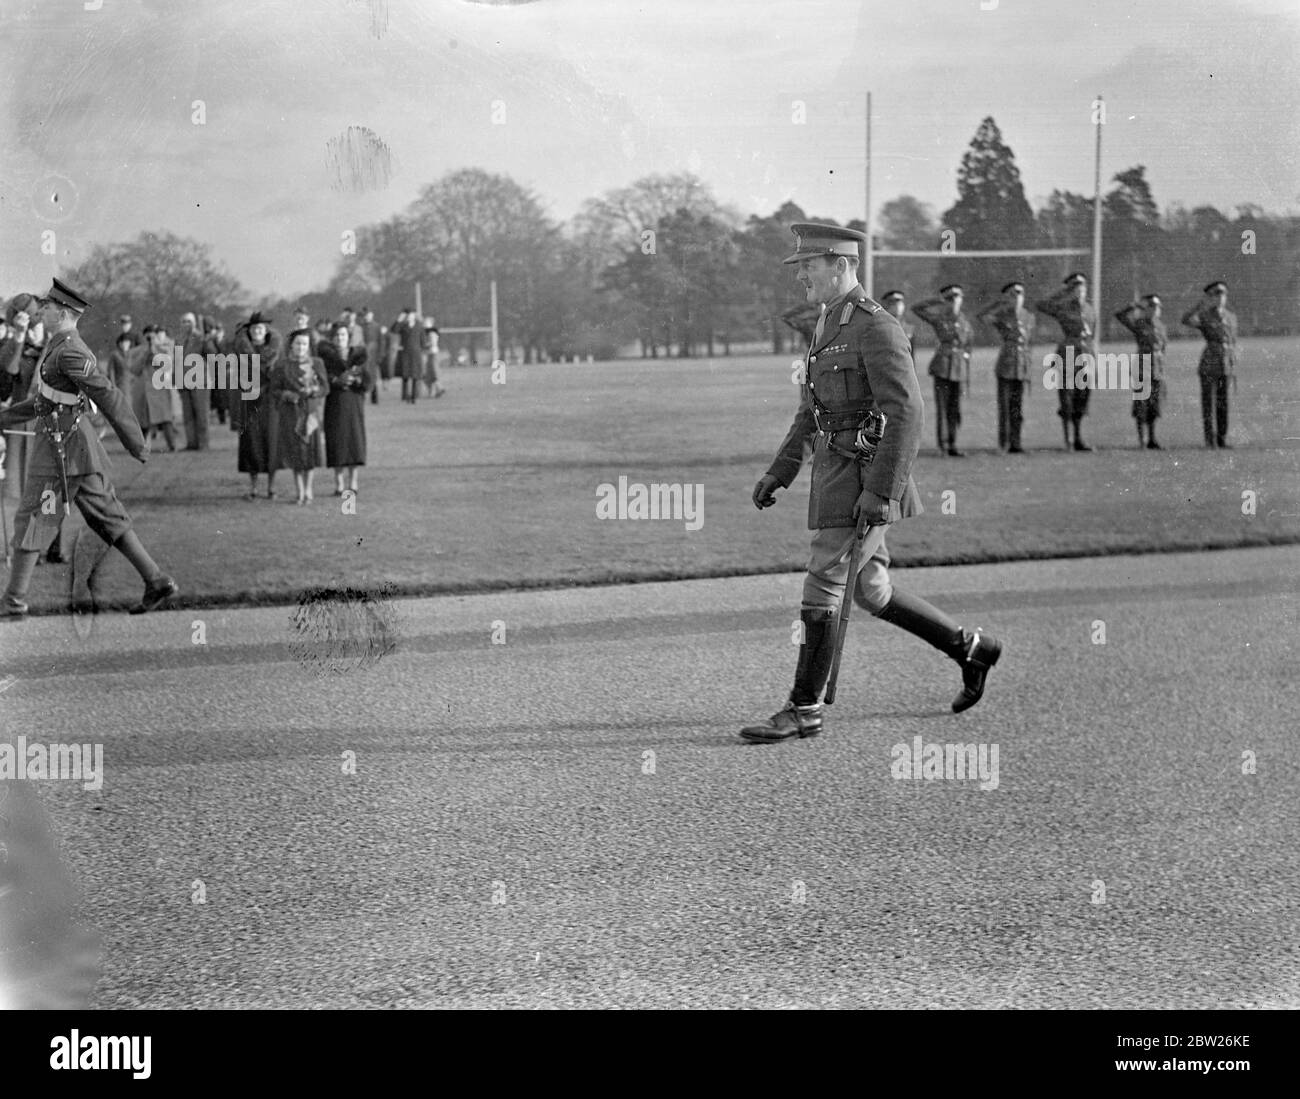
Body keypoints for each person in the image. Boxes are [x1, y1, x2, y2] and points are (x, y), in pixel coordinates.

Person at [741, 224, 1002, 743]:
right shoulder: (826, 325)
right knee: (871, 589)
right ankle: (972, 648)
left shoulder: (875, 326)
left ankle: (804, 707)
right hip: (836, 475)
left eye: (809, 268)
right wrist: (781, 470)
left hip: (865, 479)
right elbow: (810, 412)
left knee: (824, 579)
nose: (802, 280)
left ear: (840, 265)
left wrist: (881, 492)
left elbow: (905, 412)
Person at [0, 278, 176, 617]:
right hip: (72, 452)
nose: (43, 312)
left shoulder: (71, 350)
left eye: (48, 307)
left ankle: (13, 599)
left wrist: (136, 443)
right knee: (107, 517)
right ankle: (156, 580)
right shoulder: (58, 346)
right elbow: (45, 401)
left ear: (63, 313)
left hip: (62, 455)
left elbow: (108, 395)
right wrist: (5, 417)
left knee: (35, 518)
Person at [1036, 272, 1097, 451]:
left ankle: (1078, 438)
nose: (1080, 292)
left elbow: (1092, 333)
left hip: (1086, 355)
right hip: (1068, 353)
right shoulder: (1062, 307)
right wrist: (1062, 293)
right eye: (1075, 289)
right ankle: (1068, 440)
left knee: (1082, 397)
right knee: (1067, 398)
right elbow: (1041, 305)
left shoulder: (1090, 309)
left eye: (1082, 288)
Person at [911, 284, 973, 456]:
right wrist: (937, 300)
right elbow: (916, 308)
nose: (953, 302)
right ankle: (944, 445)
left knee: (955, 409)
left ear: (961, 300)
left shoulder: (965, 323)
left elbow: (968, 346)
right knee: (943, 408)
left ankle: (953, 444)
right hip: (942, 367)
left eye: (956, 298)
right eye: (949, 299)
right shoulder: (939, 318)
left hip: (958, 368)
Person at [976, 281, 1035, 454]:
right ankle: (1004, 443)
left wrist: (1028, 367)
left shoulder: (1029, 317)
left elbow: (1029, 342)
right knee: (1005, 407)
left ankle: (1016, 443)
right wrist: (998, 303)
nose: (1017, 298)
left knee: (1018, 407)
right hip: (1006, 364)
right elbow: (981, 316)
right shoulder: (1002, 314)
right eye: (1013, 295)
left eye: (1020, 294)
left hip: (1022, 364)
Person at [272, 329, 329, 505]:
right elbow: (275, 390)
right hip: (291, 413)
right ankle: (300, 491)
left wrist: (314, 390)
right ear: (292, 345)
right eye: (298, 343)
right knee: (295, 451)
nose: (301, 347)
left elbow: (325, 388)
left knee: (310, 452)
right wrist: (288, 395)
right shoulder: (282, 365)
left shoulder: (317, 363)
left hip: (310, 412)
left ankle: (309, 489)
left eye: (304, 344)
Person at [231, 311, 283, 498]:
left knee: (271, 441)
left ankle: (271, 487)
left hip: (270, 402)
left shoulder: (275, 351)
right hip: (249, 401)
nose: (257, 332)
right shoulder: (240, 352)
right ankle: (253, 487)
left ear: (266, 330)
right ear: (249, 331)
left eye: (260, 328)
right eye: (254, 329)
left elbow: (281, 375)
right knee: (251, 443)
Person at [1182, 281, 1238, 448]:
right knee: (1208, 403)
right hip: (1209, 362)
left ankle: (1221, 439)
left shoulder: (1231, 317)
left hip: (1225, 363)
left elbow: (1232, 341)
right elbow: (1185, 320)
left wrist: (1233, 360)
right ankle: (1210, 440)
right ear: (1211, 297)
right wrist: (1199, 305)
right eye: (1217, 294)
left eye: (1223, 294)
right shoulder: (1205, 315)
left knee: (1223, 402)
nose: (1221, 298)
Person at [319, 322, 372, 495]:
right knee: (337, 442)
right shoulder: (325, 359)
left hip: (354, 403)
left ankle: (354, 482)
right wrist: (335, 380)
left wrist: (356, 381)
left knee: (354, 441)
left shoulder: (359, 357)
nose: (340, 338)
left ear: (348, 337)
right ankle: (339, 483)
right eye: (336, 335)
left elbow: (368, 382)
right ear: (332, 339)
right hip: (335, 403)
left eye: (343, 335)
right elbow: (321, 379)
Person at [1115, 294, 1167, 449]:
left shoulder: (1161, 327)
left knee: (1154, 405)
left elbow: (1163, 348)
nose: (1155, 310)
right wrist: (1133, 306)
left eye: (1157, 308)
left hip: (1157, 367)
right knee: (1141, 405)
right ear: (1147, 309)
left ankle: (1152, 438)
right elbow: (1120, 316)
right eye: (1152, 307)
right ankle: (1142, 439)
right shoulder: (1139, 324)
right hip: (1142, 367)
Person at [130, 326, 178, 452]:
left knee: (165, 418)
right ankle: (140, 447)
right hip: (144, 390)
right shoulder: (137, 351)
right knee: (143, 420)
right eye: (147, 337)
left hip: (159, 388)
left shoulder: (164, 349)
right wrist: (145, 353)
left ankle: (171, 444)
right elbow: (134, 369)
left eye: (152, 336)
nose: (150, 340)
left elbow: (167, 366)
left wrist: (155, 351)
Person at [176, 311, 210, 450]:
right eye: (183, 321)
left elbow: (211, 353)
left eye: (189, 321)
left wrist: (206, 340)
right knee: (188, 416)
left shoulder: (201, 338)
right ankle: (192, 443)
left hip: (200, 382)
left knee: (201, 414)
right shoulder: (179, 340)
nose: (186, 324)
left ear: (194, 323)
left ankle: (203, 443)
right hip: (184, 382)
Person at [398, 307, 423, 404]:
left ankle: (413, 396)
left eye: (411, 315)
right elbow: (394, 330)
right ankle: (405, 395)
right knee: (405, 375)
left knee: (415, 375)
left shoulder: (419, 326)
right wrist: (399, 319)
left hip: (416, 354)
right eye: (408, 315)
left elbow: (423, 341)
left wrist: (422, 348)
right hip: (405, 353)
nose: (409, 317)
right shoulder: (403, 326)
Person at [879, 290, 914, 356]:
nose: (898, 306)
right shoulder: (880, 325)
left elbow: (911, 354)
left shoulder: (908, 328)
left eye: (900, 303)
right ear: (886, 305)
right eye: (894, 303)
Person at [360, 307, 383, 405]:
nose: (367, 317)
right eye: (366, 315)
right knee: (363, 376)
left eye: (369, 315)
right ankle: (363, 396)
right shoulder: (361, 327)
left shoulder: (377, 326)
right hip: (364, 355)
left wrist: (380, 355)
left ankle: (375, 398)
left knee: (374, 377)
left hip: (374, 355)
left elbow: (381, 341)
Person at [422, 317, 446, 398]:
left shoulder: (432, 332)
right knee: (428, 375)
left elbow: (432, 343)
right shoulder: (428, 332)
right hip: (429, 354)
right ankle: (435, 391)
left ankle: (439, 389)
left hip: (432, 354)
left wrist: (423, 345)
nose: (424, 324)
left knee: (432, 373)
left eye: (426, 323)